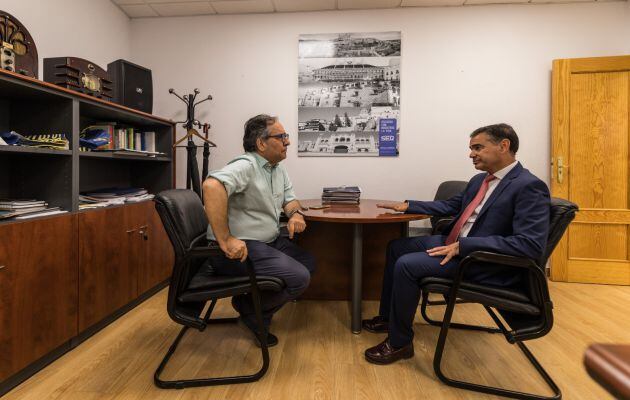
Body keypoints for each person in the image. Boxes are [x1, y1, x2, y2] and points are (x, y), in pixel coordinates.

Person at [363, 123, 550, 365]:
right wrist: (409, 205)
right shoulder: (479, 180)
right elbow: (450, 206)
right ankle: (389, 318)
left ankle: (400, 343)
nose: (471, 154)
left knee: (407, 265)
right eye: (471, 148)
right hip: (456, 244)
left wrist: (464, 247)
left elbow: (529, 244)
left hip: (482, 261)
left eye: (478, 147)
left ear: (504, 146)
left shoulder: (528, 186)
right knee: (396, 247)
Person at [202, 114, 316, 347]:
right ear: (261, 143)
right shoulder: (247, 165)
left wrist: (295, 213)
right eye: (281, 136)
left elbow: (291, 200)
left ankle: (252, 307)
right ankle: (251, 310)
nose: (288, 142)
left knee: (309, 262)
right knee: (299, 277)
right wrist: (225, 239)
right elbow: (212, 186)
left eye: (286, 136)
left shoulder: (276, 169)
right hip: (240, 249)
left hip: (268, 242)